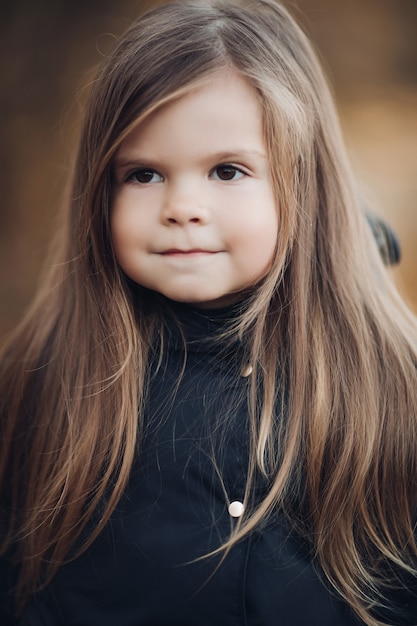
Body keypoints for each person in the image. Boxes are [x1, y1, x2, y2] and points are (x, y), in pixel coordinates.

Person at [1, 1, 416, 624]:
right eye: (142, 175)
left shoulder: (386, 380)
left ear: (302, 185)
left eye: (227, 170)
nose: (182, 206)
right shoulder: (48, 379)